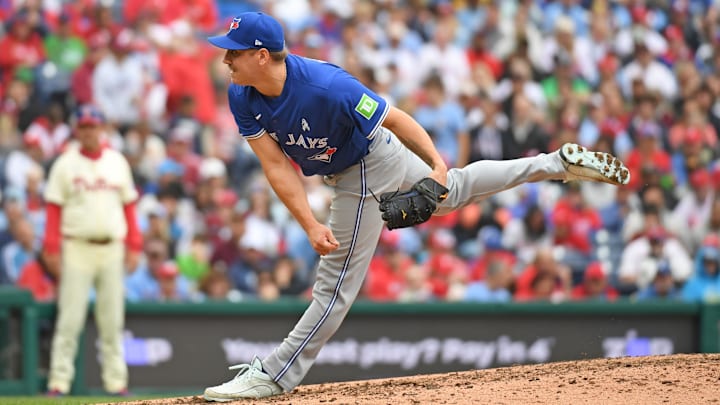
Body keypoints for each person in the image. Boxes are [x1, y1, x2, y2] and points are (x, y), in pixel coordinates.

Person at [202, 12, 631, 401]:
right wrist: (309, 222)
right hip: (356, 165)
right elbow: (275, 165)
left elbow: (395, 118)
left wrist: (436, 166)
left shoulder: (327, 86)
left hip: (367, 163)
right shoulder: (244, 94)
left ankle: (274, 375)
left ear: (261, 56)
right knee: (456, 193)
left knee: (335, 286)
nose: (225, 61)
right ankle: (555, 164)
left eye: (233, 54)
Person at [44, 105, 142, 396]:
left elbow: (128, 206)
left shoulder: (116, 162)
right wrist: (51, 247)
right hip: (77, 246)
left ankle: (116, 383)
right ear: (77, 130)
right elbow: (53, 208)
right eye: (84, 126)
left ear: (102, 129)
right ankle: (58, 382)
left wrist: (134, 244)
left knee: (112, 321)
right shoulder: (65, 163)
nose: (89, 131)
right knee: (69, 319)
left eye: (93, 126)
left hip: (111, 247)